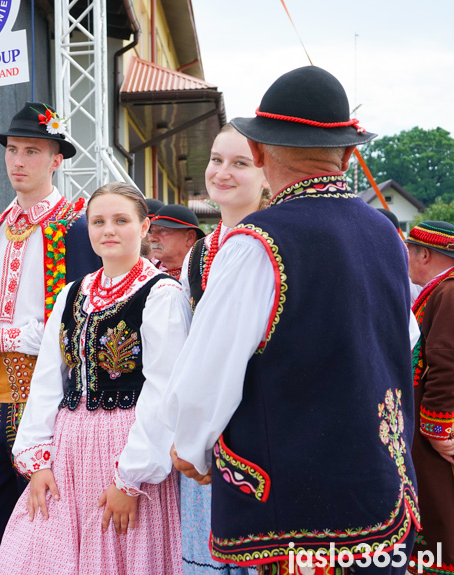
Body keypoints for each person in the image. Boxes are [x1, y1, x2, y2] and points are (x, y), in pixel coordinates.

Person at [127, 66, 420, 574]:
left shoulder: (257, 242)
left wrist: (192, 448)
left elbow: (208, 368)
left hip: (298, 509)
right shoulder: (385, 234)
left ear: (260, 155)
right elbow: (403, 338)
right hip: (383, 493)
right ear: (348, 155)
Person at [0, 102, 100, 575]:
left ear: (56, 160)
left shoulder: (77, 228)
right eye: (12, 150)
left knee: (49, 538)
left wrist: (0, 337)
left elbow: (78, 321)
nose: (18, 161)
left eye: (32, 150)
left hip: (49, 406)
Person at [0, 183, 188, 574]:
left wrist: (130, 479)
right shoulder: (70, 294)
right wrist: (38, 460)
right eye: (98, 221)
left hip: (126, 446)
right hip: (68, 449)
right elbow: (48, 380)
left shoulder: (161, 294)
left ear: (144, 226)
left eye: (121, 220)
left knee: (117, 556)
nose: (108, 230)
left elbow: (164, 390)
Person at [178, 123, 268, 575]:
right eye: (216, 160)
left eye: (240, 162)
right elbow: (186, 348)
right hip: (206, 435)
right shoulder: (197, 256)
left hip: (262, 429)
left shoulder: (276, 243)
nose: (223, 172)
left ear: (266, 173)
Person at [405, 221, 454, 574]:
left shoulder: (449, 292)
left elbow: (446, 365)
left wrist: (438, 432)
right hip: (430, 432)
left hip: (437, 435)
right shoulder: (441, 291)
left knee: (442, 524)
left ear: (425, 253)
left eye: (409, 250)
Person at [148, 204, 204, 279]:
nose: (152, 239)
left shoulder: (207, 273)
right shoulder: (147, 272)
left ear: (189, 237)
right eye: (152, 231)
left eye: (163, 230)